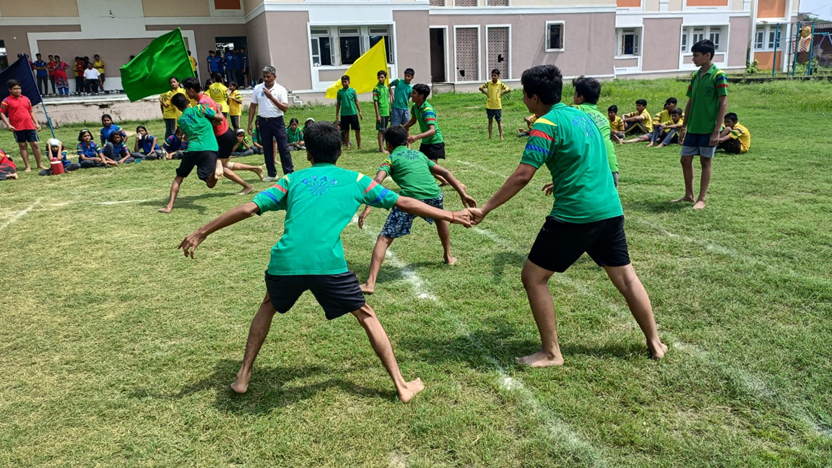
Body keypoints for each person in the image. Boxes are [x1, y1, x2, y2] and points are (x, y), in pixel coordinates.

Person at [177, 121, 472, 401]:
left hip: (285, 263)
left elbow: (247, 207)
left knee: (268, 305)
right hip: (327, 265)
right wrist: (450, 215)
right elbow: (404, 201)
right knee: (366, 315)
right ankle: (401, 386)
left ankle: (242, 377)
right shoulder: (355, 180)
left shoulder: (292, 180)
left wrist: (202, 231)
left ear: (308, 153)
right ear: (340, 151)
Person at [467, 64, 667, 367]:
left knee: (533, 277)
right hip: (610, 210)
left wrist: (485, 208)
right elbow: (587, 157)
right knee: (626, 278)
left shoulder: (545, 125)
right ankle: (655, 342)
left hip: (576, 215)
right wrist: (560, 178)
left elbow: (523, 175)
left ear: (534, 97)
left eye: (523, 93)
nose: (523, 99)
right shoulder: (584, 117)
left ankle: (551, 352)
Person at [357, 125, 477, 294]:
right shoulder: (420, 155)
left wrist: (368, 206)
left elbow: (377, 181)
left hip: (411, 200)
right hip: (435, 195)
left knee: (384, 238)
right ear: (406, 141)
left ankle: (370, 283)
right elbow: (446, 172)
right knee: (440, 219)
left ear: (389, 144)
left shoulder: (389, 159)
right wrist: (462, 192)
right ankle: (448, 257)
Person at [182, 77, 263, 194]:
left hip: (222, 137)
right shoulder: (205, 98)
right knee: (225, 164)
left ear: (191, 89)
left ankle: (247, 186)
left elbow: (217, 121)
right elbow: (218, 107)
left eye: (186, 90)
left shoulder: (203, 102)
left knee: (221, 167)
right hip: (225, 134)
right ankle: (255, 169)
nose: (185, 93)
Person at [673, 39, 728, 210]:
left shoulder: (718, 75)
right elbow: (690, 102)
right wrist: (684, 126)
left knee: (705, 161)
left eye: (696, 55)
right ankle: (689, 195)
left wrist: (716, 131)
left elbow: (723, 103)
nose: (693, 59)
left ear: (707, 55)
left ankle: (701, 198)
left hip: (708, 128)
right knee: (685, 159)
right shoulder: (696, 76)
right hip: (693, 128)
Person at [159, 94, 224, 214]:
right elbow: (219, 119)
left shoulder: (181, 120)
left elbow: (188, 133)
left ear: (178, 108)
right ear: (188, 101)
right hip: (209, 147)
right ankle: (217, 165)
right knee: (210, 184)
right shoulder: (200, 108)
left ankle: (169, 207)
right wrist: (218, 110)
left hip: (192, 149)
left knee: (179, 177)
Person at [247, 65, 293, 181]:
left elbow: (285, 108)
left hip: (277, 121)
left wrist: (271, 97)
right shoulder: (258, 88)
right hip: (263, 121)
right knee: (267, 148)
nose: (266, 79)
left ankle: (289, 172)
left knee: (283, 147)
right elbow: (253, 106)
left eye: (268, 76)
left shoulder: (280, 89)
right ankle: (272, 173)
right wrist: (250, 123)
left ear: (274, 76)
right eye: (264, 77)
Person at [571, 76, 619, 187]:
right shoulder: (603, 118)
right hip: (611, 166)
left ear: (580, 98)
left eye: (574, 94)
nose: (573, 98)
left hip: (592, 168)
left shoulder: (576, 110)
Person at [403, 83, 449, 185]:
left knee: (430, 167)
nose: (411, 94)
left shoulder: (427, 110)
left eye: (414, 93)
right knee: (424, 165)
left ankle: (452, 182)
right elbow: (412, 121)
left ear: (421, 96)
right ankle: (446, 181)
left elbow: (432, 130)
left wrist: (416, 137)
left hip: (435, 142)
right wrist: (399, 129)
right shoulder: (415, 107)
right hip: (426, 142)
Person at [1, 79, 45, 172]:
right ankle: (27, 166)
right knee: (22, 145)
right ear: (10, 90)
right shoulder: (6, 100)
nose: (18, 90)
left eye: (19, 88)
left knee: (35, 144)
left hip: (30, 126)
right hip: (17, 127)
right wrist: (8, 125)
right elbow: (1, 113)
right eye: (15, 89)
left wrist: (36, 123)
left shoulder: (26, 99)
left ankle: (39, 164)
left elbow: (31, 111)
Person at [479, 68, 511, 140]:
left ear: (498, 76)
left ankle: (501, 136)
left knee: (499, 121)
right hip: (489, 105)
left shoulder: (500, 84)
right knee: (490, 121)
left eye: (495, 75)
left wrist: (502, 93)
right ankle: (490, 137)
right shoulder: (488, 83)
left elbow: (508, 89)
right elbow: (480, 88)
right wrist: (486, 93)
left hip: (497, 106)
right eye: (492, 75)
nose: (493, 77)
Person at [335, 75, 363, 150]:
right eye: (343, 82)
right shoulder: (340, 92)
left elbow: (356, 101)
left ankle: (359, 145)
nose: (344, 83)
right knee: (346, 130)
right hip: (344, 114)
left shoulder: (353, 91)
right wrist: (337, 113)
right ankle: (348, 145)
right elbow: (338, 103)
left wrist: (360, 111)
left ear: (349, 82)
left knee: (357, 129)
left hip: (353, 113)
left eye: (345, 82)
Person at [373, 70, 391, 153]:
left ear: (385, 78)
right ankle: (381, 148)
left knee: (385, 130)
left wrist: (390, 111)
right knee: (381, 130)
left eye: (382, 77)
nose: (381, 79)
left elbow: (387, 100)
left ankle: (383, 146)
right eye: (379, 77)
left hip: (386, 111)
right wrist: (378, 114)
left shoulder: (386, 88)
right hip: (381, 112)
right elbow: (375, 102)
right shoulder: (376, 89)